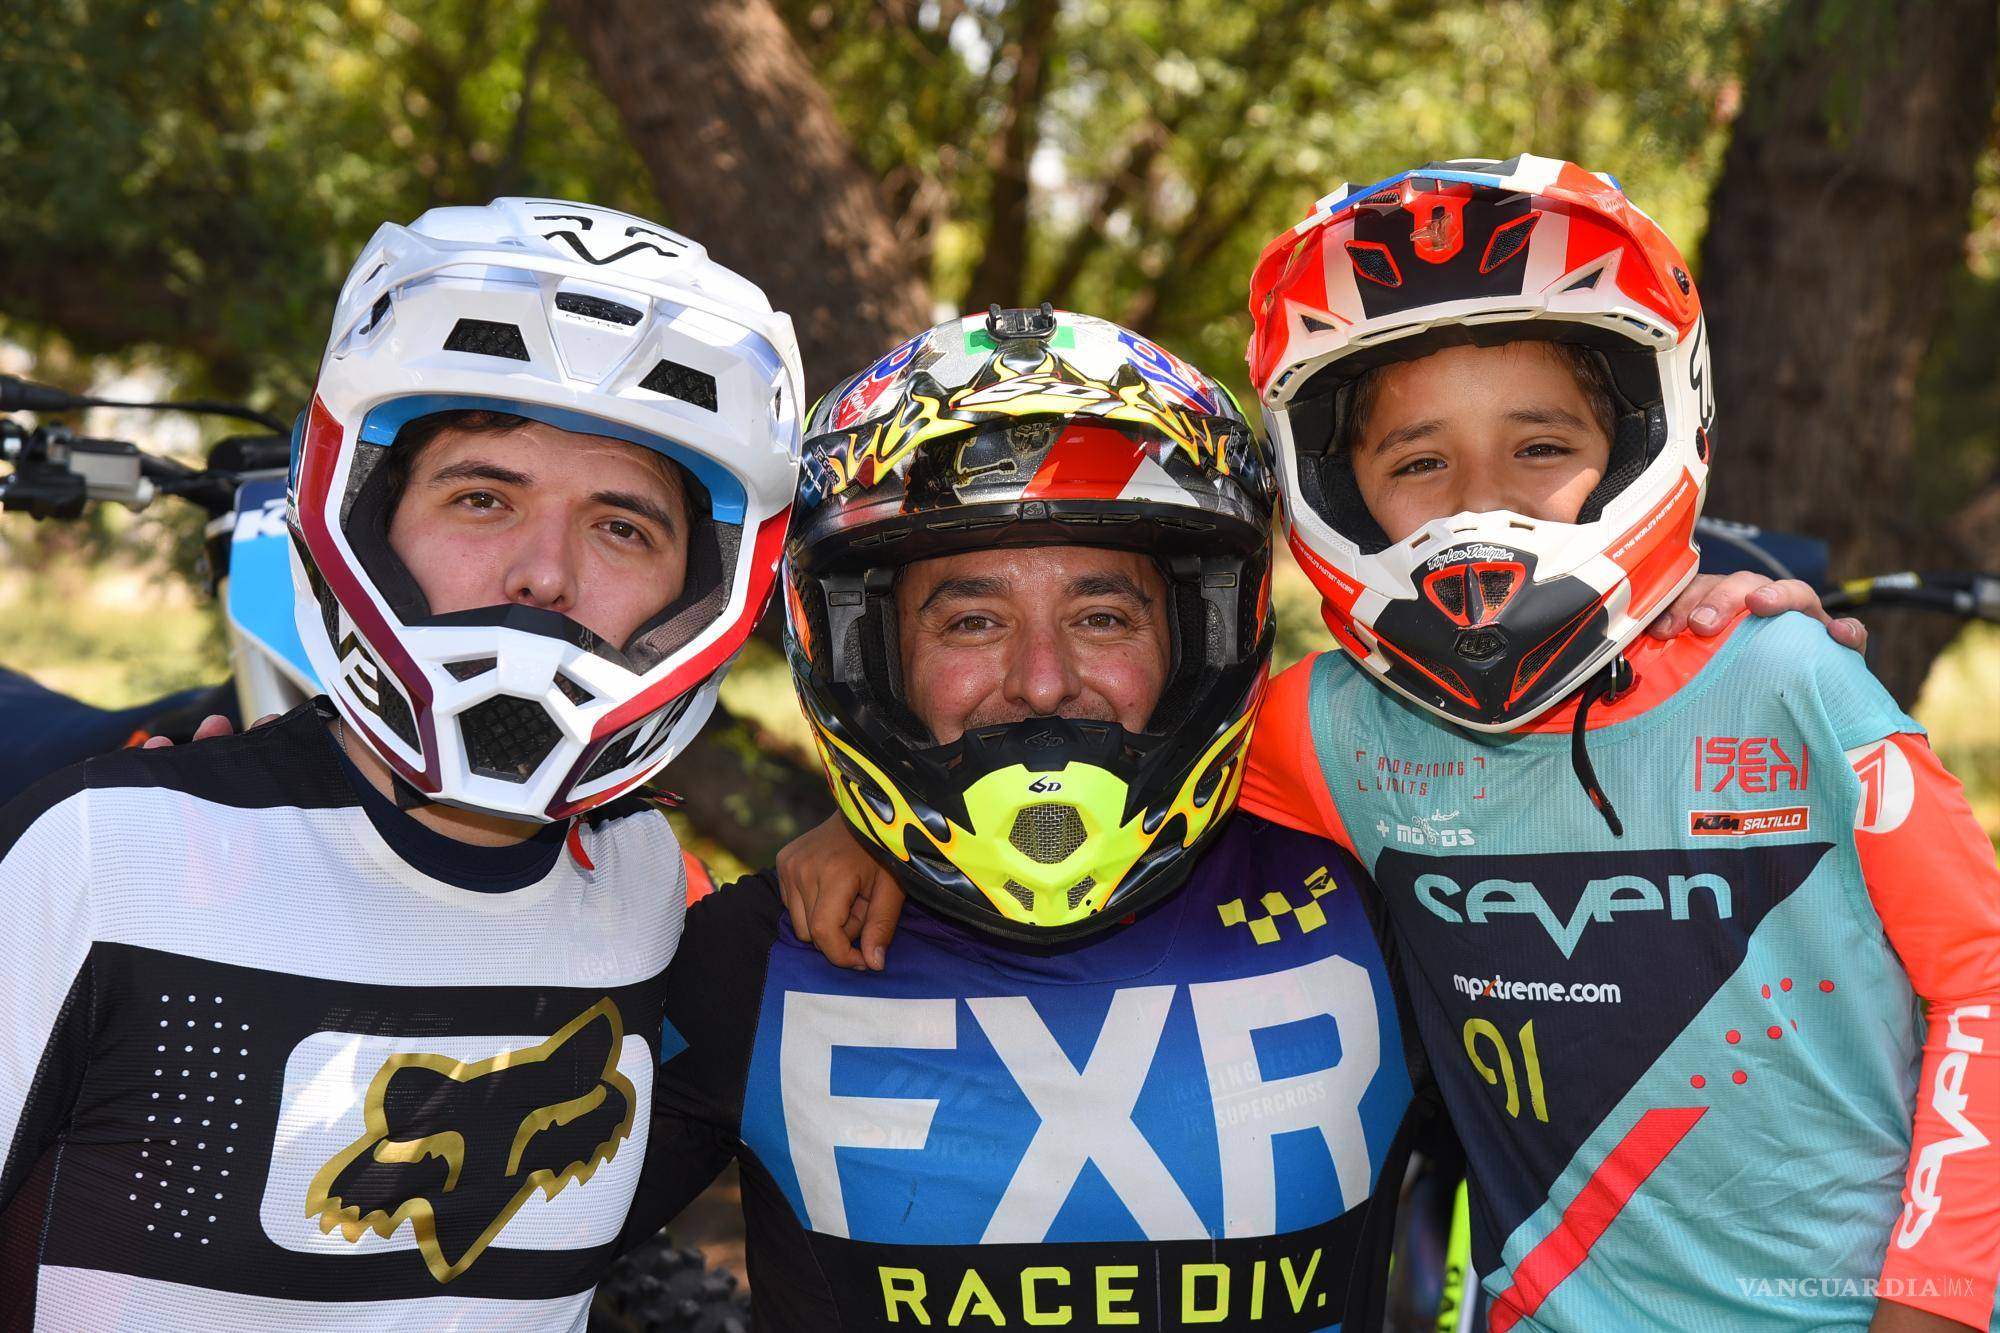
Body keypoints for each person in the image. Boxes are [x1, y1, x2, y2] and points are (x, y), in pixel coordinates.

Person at [0, 198, 803, 1328]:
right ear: (367, 509)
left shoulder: (644, 889)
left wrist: (846, 858)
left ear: (702, 590)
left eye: (622, 525)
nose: (542, 571)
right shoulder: (104, 857)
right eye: (483, 495)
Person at [1233, 156, 2000, 1332]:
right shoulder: (1326, 729)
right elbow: (1135, 824)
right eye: (1416, 460)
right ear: (1337, 489)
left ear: (1641, 439)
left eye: (1538, 447)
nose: (1475, 500)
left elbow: (1983, 977)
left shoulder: (1787, 682)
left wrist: (1937, 1300)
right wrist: (881, 851)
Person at [620, 307, 1443, 1331]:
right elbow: (488, 1261)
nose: (1042, 681)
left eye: (1102, 616)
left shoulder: (1382, 907)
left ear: (1199, 636)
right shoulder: (759, 957)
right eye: (971, 620)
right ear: (869, 656)